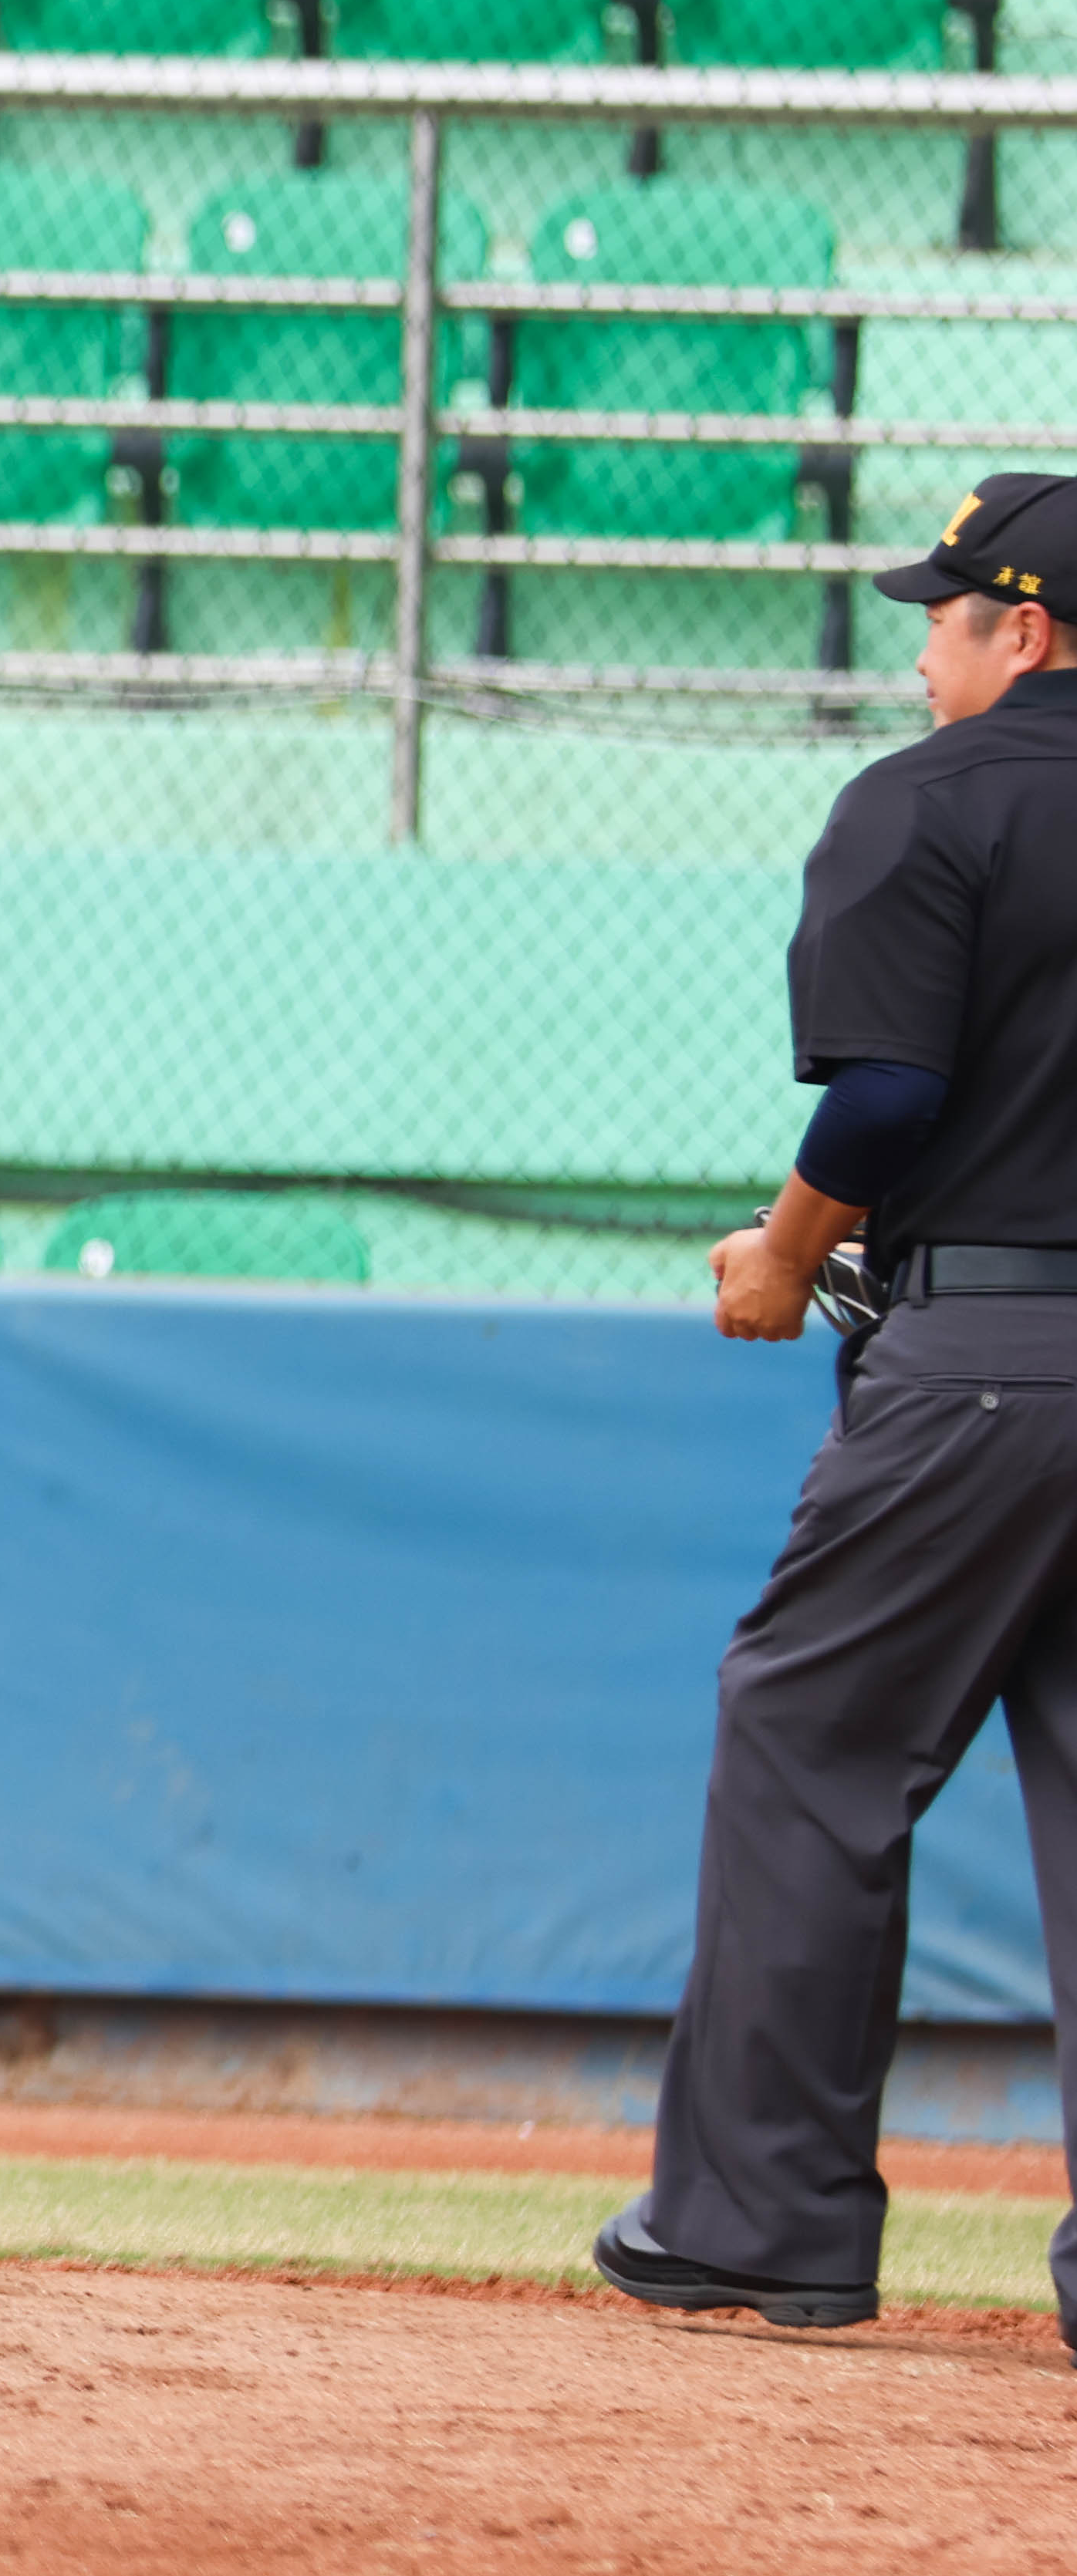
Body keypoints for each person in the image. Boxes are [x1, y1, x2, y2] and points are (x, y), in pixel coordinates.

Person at [609, 469, 1077, 2342]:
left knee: (811, 1726)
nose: (924, 644)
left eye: (945, 612)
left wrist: (792, 1252)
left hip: (986, 1355)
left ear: (1024, 628)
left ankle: (763, 2214)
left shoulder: (931, 803)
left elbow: (882, 1106)